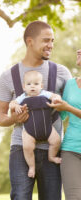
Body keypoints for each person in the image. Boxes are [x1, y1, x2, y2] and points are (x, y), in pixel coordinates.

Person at [0, 20, 72, 200]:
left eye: (52, 41)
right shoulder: (8, 76)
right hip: (21, 148)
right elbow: (0, 117)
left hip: (52, 149)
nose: (51, 45)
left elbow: (75, 108)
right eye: (46, 40)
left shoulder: (61, 72)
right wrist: (15, 118)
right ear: (30, 41)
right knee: (20, 197)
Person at [9, 70, 61, 178]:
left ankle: (51, 156)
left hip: (48, 129)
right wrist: (16, 106)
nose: (32, 86)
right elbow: (12, 104)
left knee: (56, 141)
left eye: (36, 84)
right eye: (29, 84)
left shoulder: (45, 94)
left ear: (41, 85)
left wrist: (56, 99)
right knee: (27, 147)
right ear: (24, 86)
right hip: (29, 131)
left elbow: (55, 96)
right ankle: (31, 166)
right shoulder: (22, 97)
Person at [47, 49, 81, 200]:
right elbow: (62, 114)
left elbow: (67, 108)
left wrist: (67, 107)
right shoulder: (71, 84)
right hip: (71, 149)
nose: (78, 50)